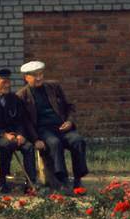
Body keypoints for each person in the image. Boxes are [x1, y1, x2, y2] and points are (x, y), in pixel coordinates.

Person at [16, 60, 89, 192]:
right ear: (26, 77)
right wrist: (35, 139)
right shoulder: (22, 95)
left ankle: (78, 179)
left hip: (62, 127)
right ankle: (62, 180)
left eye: (40, 74)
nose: (39, 78)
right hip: (43, 130)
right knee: (54, 143)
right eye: (34, 75)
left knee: (78, 141)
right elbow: (25, 121)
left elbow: (69, 106)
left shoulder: (54, 87)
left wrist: (70, 121)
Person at [0, 68, 38, 193]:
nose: (8, 85)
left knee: (28, 147)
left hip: (13, 135)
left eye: (9, 82)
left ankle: (30, 183)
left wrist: (20, 134)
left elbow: (21, 120)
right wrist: (3, 134)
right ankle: (2, 181)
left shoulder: (13, 98)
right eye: (4, 82)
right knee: (7, 144)